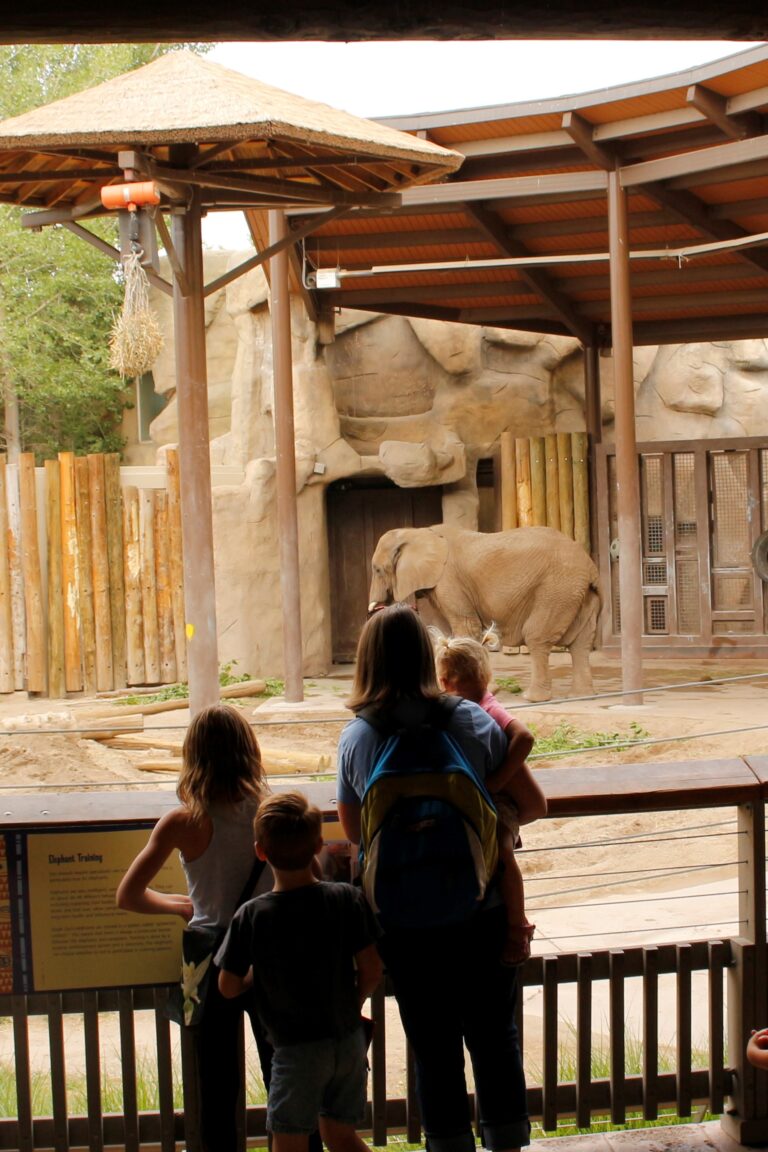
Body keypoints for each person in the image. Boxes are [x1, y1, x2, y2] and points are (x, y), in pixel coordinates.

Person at [337, 603, 531, 1152]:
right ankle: (508, 1142)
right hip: (483, 905)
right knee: (494, 1037)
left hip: (402, 922)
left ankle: (447, 1144)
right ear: (428, 657)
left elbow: (355, 830)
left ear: (366, 662)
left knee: (432, 1044)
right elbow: (517, 801)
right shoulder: (470, 720)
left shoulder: (358, 739)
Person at [116, 703, 272, 1152]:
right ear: (249, 751)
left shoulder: (183, 821)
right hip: (265, 955)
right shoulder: (268, 811)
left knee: (216, 1092)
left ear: (193, 756)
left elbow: (129, 895)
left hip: (210, 960)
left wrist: (182, 907)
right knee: (282, 1076)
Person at [217, 791, 383, 1152]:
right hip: (348, 1040)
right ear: (318, 845)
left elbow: (228, 986)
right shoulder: (346, 899)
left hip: (296, 1051)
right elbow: (371, 969)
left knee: (289, 1141)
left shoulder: (252, 915)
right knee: (340, 1135)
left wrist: (255, 975)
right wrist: (351, 1006)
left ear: (260, 851)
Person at [434, 634, 546, 964]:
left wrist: (496, 782)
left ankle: (517, 926)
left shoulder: (487, 708)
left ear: (442, 681)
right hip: (484, 801)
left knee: (501, 851)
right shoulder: (472, 705)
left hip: (496, 803)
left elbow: (524, 737)